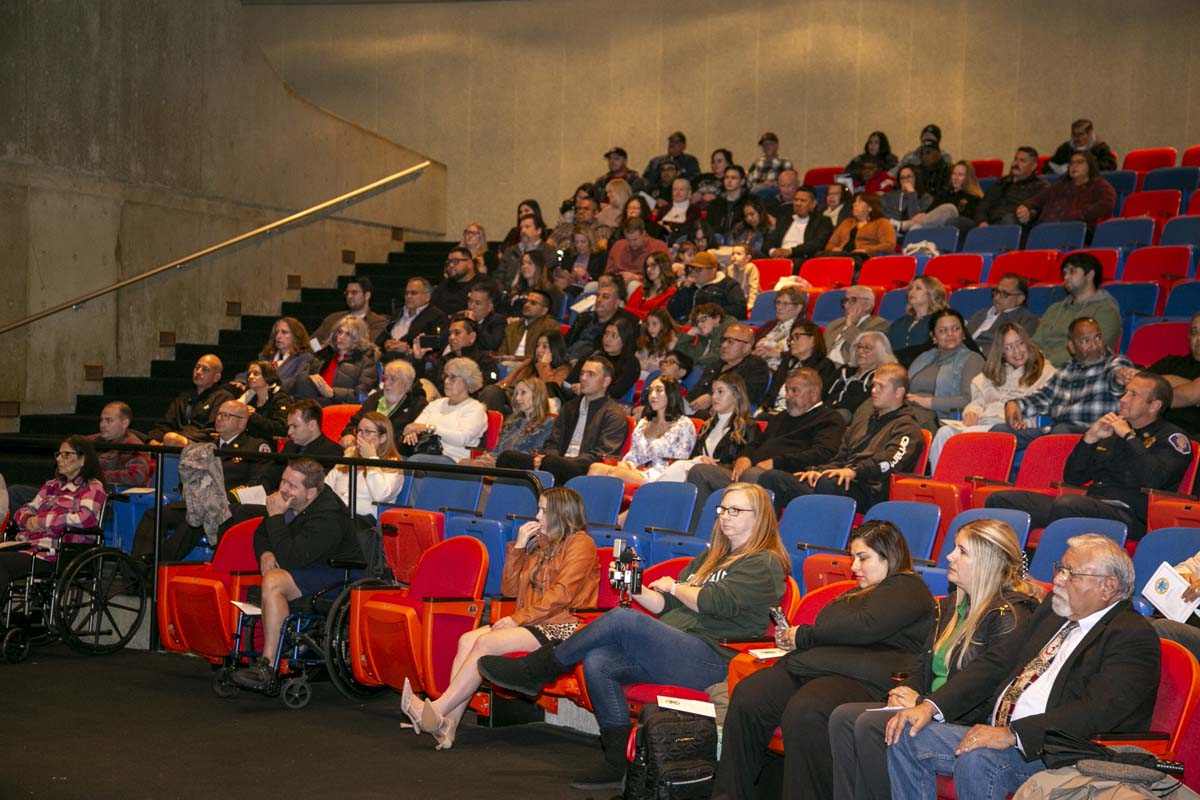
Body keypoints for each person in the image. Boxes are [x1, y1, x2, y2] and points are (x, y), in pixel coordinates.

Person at [478, 482, 789, 790]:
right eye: (722, 509)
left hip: (713, 658)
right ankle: (615, 761)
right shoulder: (709, 559)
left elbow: (712, 601)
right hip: (678, 647)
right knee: (600, 660)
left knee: (622, 620)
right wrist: (634, 586)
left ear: (759, 516)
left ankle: (537, 669)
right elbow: (666, 606)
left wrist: (674, 586)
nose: (725, 516)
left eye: (736, 510)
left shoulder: (765, 562)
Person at [884, 535, 1159, 800]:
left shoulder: (1131, 635)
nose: (1057, 580)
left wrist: (1013, 735)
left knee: (978, 759)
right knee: (906, 733)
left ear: (1108, 588)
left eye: (1070, 573)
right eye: (1059, 569)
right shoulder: (1055, 608)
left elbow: (1095, 711)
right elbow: (998, 662)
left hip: (1056, 751)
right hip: (1000, 734)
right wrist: (930, 706)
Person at [712, 520, 934, 800]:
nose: (854, 567)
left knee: (807, 710)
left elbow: (864, 626)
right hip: (815, 669)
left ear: (890, 556)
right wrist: (824, 630)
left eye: (863, 558)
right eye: (852, 558)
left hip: (863, 681)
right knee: (749, 694)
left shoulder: (908, 586)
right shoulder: (859, 593)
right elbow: (834, 623)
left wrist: (809, 634)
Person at [829, 519, 1044, 800]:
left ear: (987, 561)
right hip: (932, 705)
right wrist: (910, 690)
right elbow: (924, 663)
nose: (949, 556)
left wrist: (925, 704)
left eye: (962, 551)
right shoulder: (951, 606)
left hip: (966, 718)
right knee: (843, 717)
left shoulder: (1010, 615)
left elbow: (984, 680)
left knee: (873, 726)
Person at [402, 486, 598, 750]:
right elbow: (510, 591)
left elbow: (562, 595)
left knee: (485, 643)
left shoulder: (581, 543)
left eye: (543, 510)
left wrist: (518, 619)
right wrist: (518, 548)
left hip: (564, 626)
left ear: (562, 514)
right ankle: (448, 725)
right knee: (467, 639)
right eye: (538, 509)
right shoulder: (541, 545)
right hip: (534, 622)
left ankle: (437, 708)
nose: (537, 516)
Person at [987, 371, 1192, 541]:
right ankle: (1014, 572)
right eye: (1125, 392)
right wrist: (1089, 439)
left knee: (1068, 505)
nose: (1123, 399)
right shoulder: (1114, 431)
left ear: (1154, 405)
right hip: (1092, 505)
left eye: (1133, 395)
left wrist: (1129, 437)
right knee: (1001, 500)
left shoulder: (1172, 438)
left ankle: (1053, 573)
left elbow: (1155, 479)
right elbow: (1073, 478)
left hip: (1130, 516)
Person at [232, 459, 364, 690]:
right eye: (283, 480)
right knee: (272, 578)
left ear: (310, 493)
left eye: (291, 485)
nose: (282, 488)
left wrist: (275, 518)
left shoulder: (329, 516)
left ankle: (268, 666)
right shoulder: (290, 503)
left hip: (336, 574)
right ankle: (268, 661)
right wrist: (265, 553)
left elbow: (292, 558)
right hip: (306, 565)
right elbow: (261, 535)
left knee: (273, 581)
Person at [755, 363, 925, 516]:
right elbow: (839, 459)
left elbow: (890, 463)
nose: (873, 391)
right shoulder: (862, 424)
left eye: (881, 386)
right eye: (873, 385)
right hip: (840, 484)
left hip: (872, 490)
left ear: (899, 392)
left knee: (828, 483)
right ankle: (766, 540)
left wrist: (855, 471)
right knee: (772, 478)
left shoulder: (907, 428)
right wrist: (818, 471)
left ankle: (818, 540)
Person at [132, 400, 272, 561]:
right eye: (218, 414)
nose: (219, 418)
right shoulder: (204, 447)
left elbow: (258, 484)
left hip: (227, 510)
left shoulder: (255, 447)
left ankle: (159, 566)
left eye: (226, 415)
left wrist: (221, 498)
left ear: (242, 422)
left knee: (197, 519)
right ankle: (138, 569)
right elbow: (186, 479)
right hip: (197, 504)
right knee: (155, 514)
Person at [689, 367, 845, 510]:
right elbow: (757, 443)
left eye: (794, 391)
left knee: (754, 475)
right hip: (751, 472)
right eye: (787, 390)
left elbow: (823, 453)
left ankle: (750, 538)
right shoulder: (781, 417)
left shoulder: (829, 418)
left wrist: (776, 462)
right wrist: (745, 457)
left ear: (814, 392)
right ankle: (701, 534)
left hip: (784, 477)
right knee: (700, 472)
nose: (788, 396)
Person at [928, 322, 1056, 470]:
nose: (1016, 351)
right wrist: (972, 411)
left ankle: (957, 482)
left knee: (962, 438)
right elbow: (978, 400)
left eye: (1020, 343)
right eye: (1008, 347)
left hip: (1008, 428)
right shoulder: (995, 372)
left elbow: (1041, 405)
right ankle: (940, 483)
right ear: (1002, 353)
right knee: (943, 433)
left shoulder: (1045, 372)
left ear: (1028, 343)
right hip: (982, 424)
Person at [994, 317, 1133, 450]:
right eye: (1086, 340)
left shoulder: (1114, 363)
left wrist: (1120, 377)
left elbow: (1118, 374)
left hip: (1096, 436)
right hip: (1056, 432)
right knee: (999, 433)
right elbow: (1042, 398)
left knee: (1061, 431)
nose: (1095, 345)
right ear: (1072, 347)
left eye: (1098, 337)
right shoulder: (1065, 370)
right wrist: (1014, 404)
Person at [0, 436, 108, 602]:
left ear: (82, 459)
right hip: (28, 545)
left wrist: (42, 522)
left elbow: (84, 520)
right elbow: (22, 511)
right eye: (58, 454)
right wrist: (28, 520)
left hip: (55, 553)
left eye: (66, 454)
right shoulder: (51, 485)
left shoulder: (92, 487)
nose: (59, 458)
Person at [496, 356, 628, 486]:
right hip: (555, 463)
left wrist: (561, 461)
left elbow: (602, 455)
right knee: (507, 458)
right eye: (582, 373)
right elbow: (553, 443)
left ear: (606, 381)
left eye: (590, 374)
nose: (583, 378)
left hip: (583, 470)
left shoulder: (614, 414)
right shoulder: (569, 407)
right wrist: (545, 459)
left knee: (552, 463)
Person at [588, 376, 695, 485]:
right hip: (637, 472)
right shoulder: (644, 422)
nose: (652, 395)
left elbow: (678, 464)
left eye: (659, 390)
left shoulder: (684, 425)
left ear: (671, 394)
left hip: (661, 478)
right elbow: (633, 454)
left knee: (614, 475)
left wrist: (640, 471)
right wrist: (628, 465)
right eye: (650, 390)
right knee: (595, 468)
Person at [1034, 253, 1122, 367]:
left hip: (1073, 372)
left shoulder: (1106, 311)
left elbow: (1093, 352)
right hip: (1039, 369)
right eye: (1064, 273)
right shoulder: (1054, 309)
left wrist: (1044, 365)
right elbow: (1035, 343)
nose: (1066, 277)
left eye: (1072, 271)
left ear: (1090, 275)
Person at [905, 308, 986, 431]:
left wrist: (928, 402)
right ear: (933, 336)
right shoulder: (924, 357)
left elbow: (969, 400)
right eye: (943, 331)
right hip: (910, 408)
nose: (950, 334)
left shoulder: (973, 359)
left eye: (956, 329)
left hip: (938, 418)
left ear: (963, 333)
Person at [401, 357, 489, 462]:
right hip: (425, 452)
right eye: (446, 376)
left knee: (416, 461)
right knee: (394, 460)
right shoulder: (436, 404)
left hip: (455, 459)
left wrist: (430, 428)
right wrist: (411, 432)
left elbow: (462, 438)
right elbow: (415, 426)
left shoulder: (474, 408)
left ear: (467, 381)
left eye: (452, 377)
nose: (446, 381)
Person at [324, 412, 404, 521]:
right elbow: (326, 486)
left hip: (364, 522)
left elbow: (380, 496)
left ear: (383, 438)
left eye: (367, 432)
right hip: (335, 515)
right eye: (359, 431)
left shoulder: (392, 463)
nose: (360, 436)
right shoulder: (350, 455)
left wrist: (371, 459)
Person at [461, 377, 555, 467]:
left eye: (523, 393)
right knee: (464, 462)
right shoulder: (513, 421)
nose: (517, 398)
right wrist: (489, 456)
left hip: (518, 466)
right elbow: (498, 448)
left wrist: (495, 459)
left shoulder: (548, 422)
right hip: (498, 462)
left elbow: (536, 453)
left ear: (537, 395)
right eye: (516, 393)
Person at [1017, 150, 1116, 235]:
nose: (1074, 166)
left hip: (1077, 229)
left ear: (1090, 165)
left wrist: (1080, 215)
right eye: (1072, 163)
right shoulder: (1060, 185)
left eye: (1079, 162)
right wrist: (1025, 207)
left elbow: (1107, 204)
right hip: (1046, 228)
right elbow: (1038, 199)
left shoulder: (1099, 185)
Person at [340, 360, 427, 455]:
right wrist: (349, 434)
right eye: (385, 379)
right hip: (362, 448)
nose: (387, 383)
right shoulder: (375, 398)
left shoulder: (418, 404)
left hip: (393, 454)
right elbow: (355, 422)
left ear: (407, 383)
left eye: (393, 379)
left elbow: (412, 439)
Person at [291, 315, 380, 406]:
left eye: (348, 334)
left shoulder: (366, 360)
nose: (341, 337)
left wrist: (333, 392)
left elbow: (362, 395)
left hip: (340, 404)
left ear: (357, 339)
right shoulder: (325, 353)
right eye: (340, 332)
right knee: (302, 379)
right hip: (315, 399)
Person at [148, 354, 235, 446]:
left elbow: (214, 431)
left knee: (171, 438)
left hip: (200, 444)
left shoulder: (223, 397)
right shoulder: (183, 397)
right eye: (197, 367)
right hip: (174, 440)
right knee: (133, 435)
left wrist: (180, 439)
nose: (198, 372)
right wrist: (152, 440)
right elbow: (166, 424)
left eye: (205, 369)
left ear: (216, 377)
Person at [686, 323, 771, 413]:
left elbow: (746, 396)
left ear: (746, 347)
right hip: (696, 412)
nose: (724, 345)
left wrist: (712, 397)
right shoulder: (716, 364)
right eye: (724, 340)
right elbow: (694, 392)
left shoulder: (756, 366)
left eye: (730, 341)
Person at [1142, 310, 1200, 437]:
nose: (1199, 338)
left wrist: (1154, 389)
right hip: (1152, 433)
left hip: (1190, 439)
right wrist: (1190, 386)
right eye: (1194, 332)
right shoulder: (1170, 363)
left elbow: (1186, 396)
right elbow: (1139, 386)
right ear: (1188, 337)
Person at [761, 322, 839, 413]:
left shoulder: (825, 366)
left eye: (797, 337)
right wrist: (763, 408)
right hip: (774, 412)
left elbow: (817, 400)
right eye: (790, 339)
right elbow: (771, 393)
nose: (792, 342)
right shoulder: (787, 363)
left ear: (813, 339)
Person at [564, 277, 639, 362]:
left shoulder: (626, 324)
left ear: (617, 302)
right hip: (566, 359)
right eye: (598, 296)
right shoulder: (584, 318)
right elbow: (565, 342)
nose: (599, 300)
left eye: (605, 297)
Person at [377, 276, 449, 364]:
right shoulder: (398, 313)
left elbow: (436, 344)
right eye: (406, 293)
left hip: (413, 362)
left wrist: (408, 347)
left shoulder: (437, 316)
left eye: (413, 293)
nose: (408, 296)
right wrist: (385, 344)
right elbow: (380, 340)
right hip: (387, 359)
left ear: (427, 296)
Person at [232, 317, 314, 393]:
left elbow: (295, 382)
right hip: (258, 394)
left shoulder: (303, 357)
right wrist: (240, 381)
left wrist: (266, 385)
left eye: (284, 332)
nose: (278, 336)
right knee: (229, 389)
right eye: (276, 332)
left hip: (281, 397)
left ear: (296, 336)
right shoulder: (266, 356)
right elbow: (248, 373)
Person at [828, 331, 899, 420]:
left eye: (867, 348)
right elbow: (824, 392)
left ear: (880, 352)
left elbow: (864, 406)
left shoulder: (880, 377)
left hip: (851, 419)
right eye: (859, 346)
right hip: (827, 413)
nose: (860, 351)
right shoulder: (845, 370)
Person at [965, 273, 1040, 355]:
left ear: (1020, 299)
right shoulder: (980, 313)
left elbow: (1017, 351)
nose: (996, 297)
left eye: (1005, 294)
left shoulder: (1026, 320)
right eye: (996, 292)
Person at [309, 277, 388, 353]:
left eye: (354, 293)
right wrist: (321, 352)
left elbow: (368, 347)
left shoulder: (378, 322)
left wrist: (333, 348)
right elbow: (312, 341)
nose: (349, 296)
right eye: (347, 293)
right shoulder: (333, 318)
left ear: (367, 295)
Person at [764, 185, 835, 271]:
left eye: (803, 201)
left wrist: (790, 251)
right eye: (796, 200)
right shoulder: (785, 220)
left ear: (813, 204)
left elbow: (817, 244)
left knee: (796, 263)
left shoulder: (823, 221)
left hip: (801, 258)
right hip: (778, 257)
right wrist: (773, 251)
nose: (798, 204)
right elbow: (769, 240)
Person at [974, 147, 1048, 228]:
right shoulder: (1002, 182)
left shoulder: (1040, 186)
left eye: (1022, 161)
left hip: (1014, 226)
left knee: (1009, 220)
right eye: (1015, 159)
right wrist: (982, 221)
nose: (1016, 163)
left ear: (1033, 166)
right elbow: (983, 204)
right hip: (989, 224)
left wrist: (1029, 214)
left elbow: (1042, 209)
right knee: (960, 222)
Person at [667, 251, 747, 324]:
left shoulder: (728, 285)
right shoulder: (688, 285)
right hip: (687, 326)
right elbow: (672, 311)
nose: (694, 272)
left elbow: (740, 310)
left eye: (699, 269)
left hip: (715, 329)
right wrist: (685, 289)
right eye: (692, 268)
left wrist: (709, 314)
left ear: (713, 270)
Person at [823, 192, 897, 271]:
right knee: (819, 256)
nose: (854, 204)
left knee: (854, 259)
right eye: (855, 201)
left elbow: (889, 245)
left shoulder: (881, 222)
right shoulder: (847, 222)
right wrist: (835, 249)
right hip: (843, 255)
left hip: (863, 258)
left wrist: (866, 250)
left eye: (859, 201)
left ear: (870, 207)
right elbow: (830, 244)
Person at [887, 275, 949, 366]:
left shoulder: (941, 320)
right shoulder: (900, 322)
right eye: (910, 289)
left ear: (932, 292)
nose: (911, 292)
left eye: (918, 288)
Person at [908, 160, 985, 231]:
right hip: (934, 227)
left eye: (960, 175)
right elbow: (930, 213)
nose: (955, 178)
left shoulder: (974, 198)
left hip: (956, 229)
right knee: (917, 225)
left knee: (949, 208)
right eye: (954, 174)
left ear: (968, 178)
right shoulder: (944, 194)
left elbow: (970, 219)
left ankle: (906, 225)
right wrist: (922, 215)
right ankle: (910, 227)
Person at [89, 401, 151, 488]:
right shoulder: (90, 441)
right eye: (101, 420)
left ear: (124, 423)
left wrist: (95, 475)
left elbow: (136, 477)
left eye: (109, 420)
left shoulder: (135, 447)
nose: (102, 425)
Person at [825, 286, 890, 366]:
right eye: (845, 301)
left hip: (845, 369)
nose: (846, 305)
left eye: (852, 300)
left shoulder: (878, 324)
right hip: (823, 367)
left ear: (867, 305)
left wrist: (850, 326)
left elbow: (865, 350)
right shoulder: (835, 324)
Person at [496, 330, 571, 397]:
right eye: (537, 346)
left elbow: (551, 391)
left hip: (535, 406)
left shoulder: (564, 369)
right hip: (512, 397)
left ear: (555, 349)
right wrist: (498, 387)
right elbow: (508, 380)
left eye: (544, 346)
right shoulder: (529, 363)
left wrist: (543, 365)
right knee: (492, 390)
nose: (539, 350)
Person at [753, 285, 809, 371]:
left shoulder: (805, 328)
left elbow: (805, 354)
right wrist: (753, 354)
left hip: (781, 372)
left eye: (785, 304)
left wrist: (779, 354)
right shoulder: (769, 325)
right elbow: (749, 345)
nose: (779, 307)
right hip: (755, 368)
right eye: (778, 302)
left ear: (798, 308)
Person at [497, 288, 559, 364]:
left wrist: (517, 358)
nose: (526, 305)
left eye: (533, 303)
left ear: (544, 311)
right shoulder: (512, 327)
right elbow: (502, 353)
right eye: (526, 301)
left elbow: (548, 355)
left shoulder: (550, 326)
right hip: (508, 366)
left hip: (533, 367)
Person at [498, 213, 558, 290]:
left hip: (535, 292)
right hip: (508, 293)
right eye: (521, 228)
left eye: (527, 227)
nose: (523, 231)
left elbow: (545, 277)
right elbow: (499, 276)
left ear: (538, 230)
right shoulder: (510, 251)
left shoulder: (549, 252)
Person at [238, 360, 292, 441]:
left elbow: (281, 428)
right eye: (249, 374)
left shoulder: (281, 399)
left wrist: (253, 416)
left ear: (268, 376)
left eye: (256, 374)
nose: (250, 377)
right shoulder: (248, 399)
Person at [1043, 118, 1118, 175]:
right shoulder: (1065, 148)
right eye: (1074, 134)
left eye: (1080, 134)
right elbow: (1049, 166)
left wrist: (1085, 167)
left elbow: (1110, 166)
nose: (1076, 138)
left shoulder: (1100, 148)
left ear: (1089, 134)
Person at [432, 246, 487, 316]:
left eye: (455, 261)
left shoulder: (484, 283)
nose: (451, 265)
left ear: (469, 263)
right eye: (449, 262)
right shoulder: (444, 285)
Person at [677, 303, 733, 369]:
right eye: (697, 322)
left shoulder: (730, 332)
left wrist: (691, 363)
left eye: (703, 319)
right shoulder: (704, 337)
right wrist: (689, 334)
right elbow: (679, 356)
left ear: (716, 318)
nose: (699, 325)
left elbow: (718, 356)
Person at [881, 165, 933, 232]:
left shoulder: (926, 198)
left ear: (916, 178)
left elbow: (916, 220)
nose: (905, 181)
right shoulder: (889, 196)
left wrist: (911, 193)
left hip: (915, 232)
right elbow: (884, 217)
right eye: (902, 178)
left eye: (909, 177)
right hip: (892, 231)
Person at [625, 252, 676, 320]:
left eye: (653, 265)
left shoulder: (671, 293)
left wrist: (627, 309)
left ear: (664, 266)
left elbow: (658, 318)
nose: (648, 269)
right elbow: (627, 309)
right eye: (647, 266)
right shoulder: (641, 289)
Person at [634, 307, 680, 380]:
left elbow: (660, 367)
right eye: (648, 324)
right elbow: (635, 360)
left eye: (654, 324)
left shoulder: (673, 342)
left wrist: (646, 365)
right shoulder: (650, 340)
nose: (650, 328)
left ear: (664, 325)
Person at [707, 165, 750, 238]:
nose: (729, 181)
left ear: (742, 181)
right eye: (726, 177)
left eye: (733, 178)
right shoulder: (715, 203)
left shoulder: (748, 203)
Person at [465, 281, 507, 353]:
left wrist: (475, 324)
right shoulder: (463, 318)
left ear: (489, 307)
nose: (471, 306)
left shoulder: (498, 321)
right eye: (470, 301)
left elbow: (492, 345)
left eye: (477, 303)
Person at [726, 242, 761, 309]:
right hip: (737, 301)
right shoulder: (730, 269)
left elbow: (753, 287)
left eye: (738, 254)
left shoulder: (751, 268)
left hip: (751, 300)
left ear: (747, 258)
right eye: (733, 254)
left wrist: (751, 303)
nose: (734, 256)